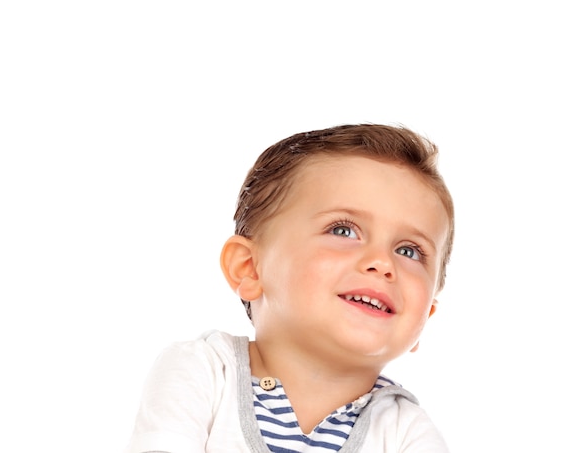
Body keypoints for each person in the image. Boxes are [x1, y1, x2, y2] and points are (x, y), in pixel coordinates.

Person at [124, 123, 455, 452]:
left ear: (427, 314)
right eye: (343, 230)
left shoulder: (406, 431)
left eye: (409, 251)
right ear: (249, 268)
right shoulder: (204, 372)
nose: (383, 263)